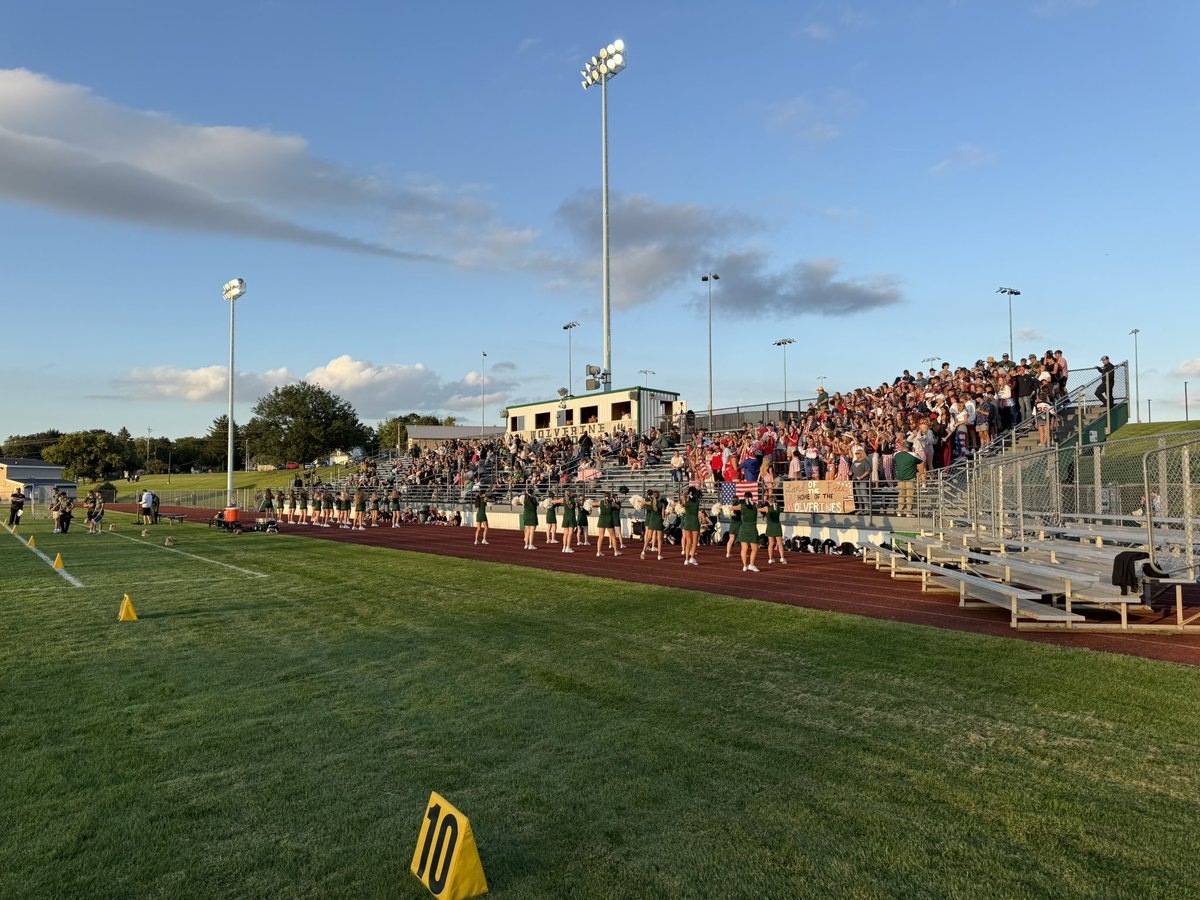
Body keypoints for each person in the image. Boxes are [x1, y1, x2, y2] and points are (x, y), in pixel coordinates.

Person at [894, 441, 925, 515]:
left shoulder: (896, 454)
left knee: (901, 495)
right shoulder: (913, 455)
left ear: (902, 447)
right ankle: (909, 512)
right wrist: (920, 473)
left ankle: (899, 511)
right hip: (910, 477)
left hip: (900, 477)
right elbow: (921, 461)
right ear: (910, 447)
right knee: (909, 496)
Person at [735, 493, 761, 573]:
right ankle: (751, 565)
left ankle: (745, 566)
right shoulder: (755, 505)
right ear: (751, 498)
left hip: (744, 528)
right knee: (754, 548)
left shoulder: (741, 506)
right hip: (752, 528)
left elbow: (731, 508)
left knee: (744, 548)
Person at [760, 490, 786, 565]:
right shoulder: (778, 507)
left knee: (771, 543)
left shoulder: (767, 508)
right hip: (777, 526)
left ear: (769, 501)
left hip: (770, 526)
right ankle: (782, 558)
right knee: (779, 543)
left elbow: (758, 510)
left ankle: (770, 558)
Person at [681, 486, 701, 566]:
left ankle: (686, 560)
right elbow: (698, 495)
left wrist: (684, 496)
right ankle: (692, 558)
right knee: (695, 541)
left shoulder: (686, 501)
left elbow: (682, 505)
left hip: (688, 521)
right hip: (695, 521)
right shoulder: (697, 500)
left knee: (688, 541)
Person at [641, 490, 664, 561]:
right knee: (660, 539)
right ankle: (659, 555)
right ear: (659, 496)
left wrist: (641, 502)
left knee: (649, 537)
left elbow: (644, 503)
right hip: (659, 521)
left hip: (652, 521)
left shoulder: (651, 503)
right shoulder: (662, 504)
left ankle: (643, 551)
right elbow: (663, 516)